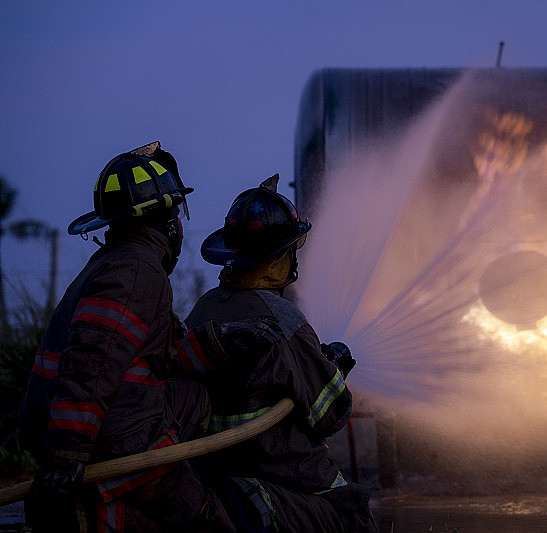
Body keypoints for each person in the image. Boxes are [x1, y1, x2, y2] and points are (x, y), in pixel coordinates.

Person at [19, 142, 278, 533]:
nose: (180, 225)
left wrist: (222, 340)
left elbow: (160, 353)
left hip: (93, 427)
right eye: (176, 213)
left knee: (196, 399)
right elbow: (93, 361)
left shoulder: (116, 262)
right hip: (116, 440)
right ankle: (93, 518)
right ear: (167, 220)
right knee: (205, 518)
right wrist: (68, 454)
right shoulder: (136, 272)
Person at [184, 175, 377, 532]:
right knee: (354, 517)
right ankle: (266, 507)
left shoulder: (203, 309)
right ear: (281, 255)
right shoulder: (283, 320)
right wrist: (333, 369)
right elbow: (328, 415)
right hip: (280, 473)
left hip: (213, 475)